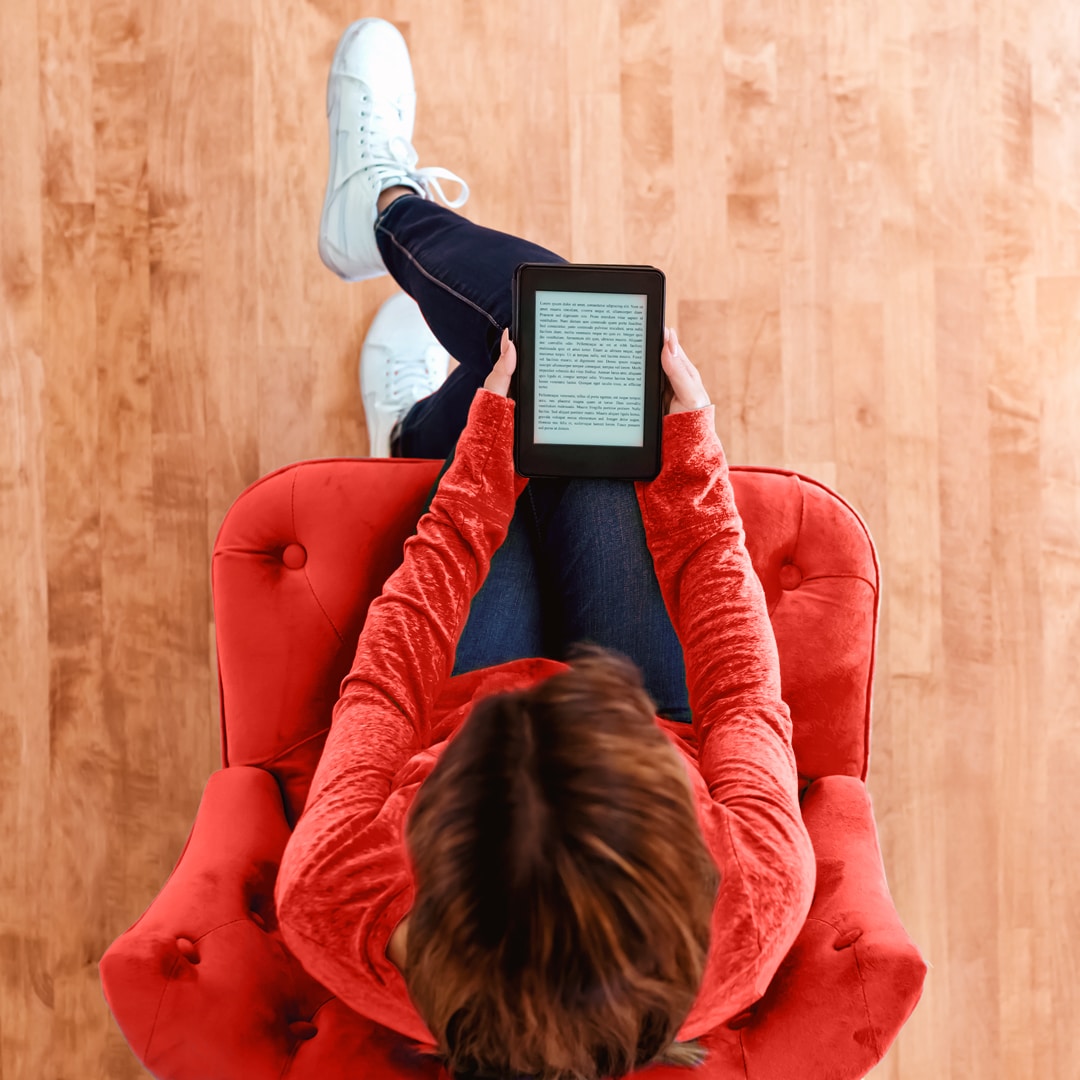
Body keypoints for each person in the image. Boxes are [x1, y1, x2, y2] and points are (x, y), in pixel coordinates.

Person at [274, 18, 817, 1080]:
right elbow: (741, 695)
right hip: (652, 694)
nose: (558, 680)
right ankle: (413, 363)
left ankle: (388, 228)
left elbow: (386, 694)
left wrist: (484, 454)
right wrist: (687, 454)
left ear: (428, 844)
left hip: (456, 680)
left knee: (544, 351)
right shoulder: (753, 909)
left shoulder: (330, 897)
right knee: (586, 357)